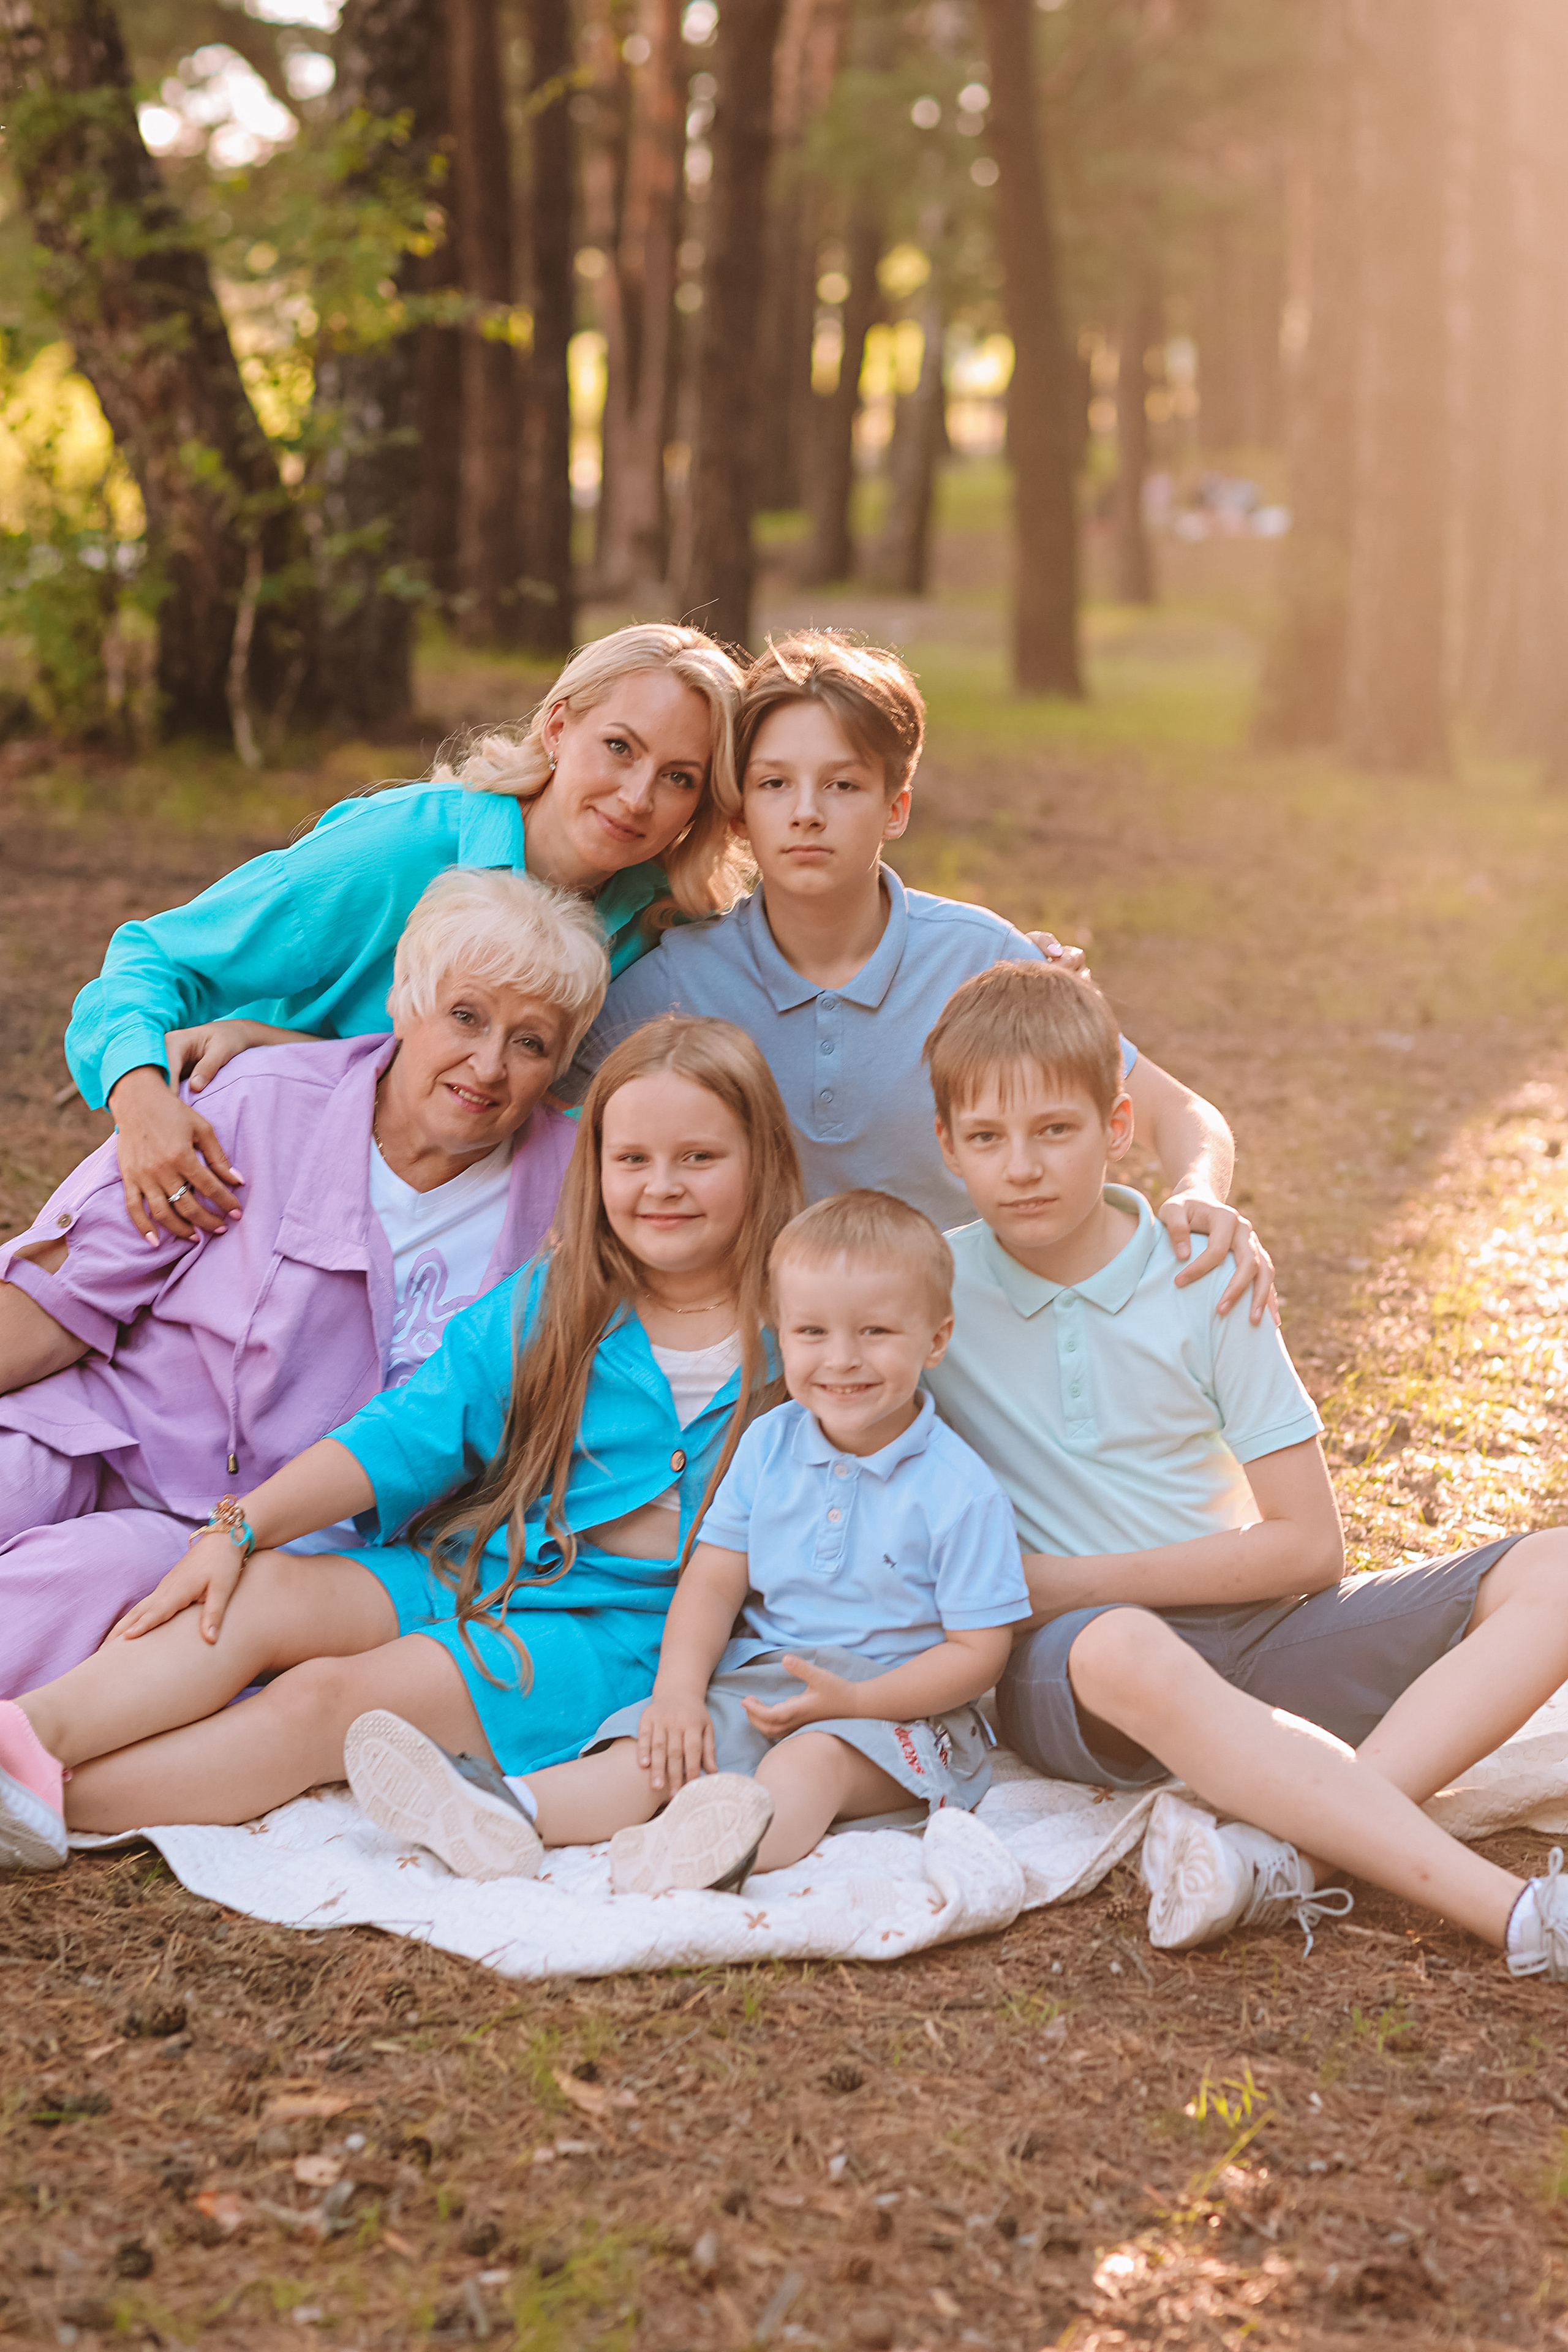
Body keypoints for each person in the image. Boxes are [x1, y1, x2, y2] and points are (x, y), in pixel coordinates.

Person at [0, 1018, 804, 1874]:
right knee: (262, 1592)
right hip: (474, 1567)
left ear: (760, 1160)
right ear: (597, 1167)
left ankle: (51, 1803)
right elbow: (408, 1431)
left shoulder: (800, 1330)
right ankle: (24, 1742)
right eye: (632, 1160)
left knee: (324, 1701)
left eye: (699, 1159)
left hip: (615, 1630)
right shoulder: (565, 1298)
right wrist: (237, 1528)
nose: (662, 1187)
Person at [919, 960, 1568, 1981]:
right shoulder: (934, 1291)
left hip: (1255, 1641)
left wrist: (1076, 1576)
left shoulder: (1201, 1276)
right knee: (1125, 1646)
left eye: (1056, 1129)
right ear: (948, 1148)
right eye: (989, 1139)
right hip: (1072, 1672)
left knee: (1559, 1570)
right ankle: (1521, 1917)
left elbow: (1311, 1546)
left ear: (1118, 1126)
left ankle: (1291, 1852)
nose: (1025, 1167)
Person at [0, 869, 606, 1695]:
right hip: (104, 1430)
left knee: (95, 1568)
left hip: (271, 1531)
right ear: (405, 1001)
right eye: (465, 1016)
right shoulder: (256, 1103)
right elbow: (62, 1297)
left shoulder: (576, 1202)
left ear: (559, 1065)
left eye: (531, 1043)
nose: (489, 1065)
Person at [563, 628, 1275, 1321]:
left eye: (843, 785)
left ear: (894, 809)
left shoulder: (978, 958)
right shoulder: (673, 984)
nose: (807, 814)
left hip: (966, 1356)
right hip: (766, 1373)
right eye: (775, 784)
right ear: (741, 814)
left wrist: (1199, 1190)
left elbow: (1177, 1112)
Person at [344, 1189, 1034, 1894]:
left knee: (809, 1765)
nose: (842, 1360)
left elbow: (978, 1655)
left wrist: (857, 1703)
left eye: (876, 1333)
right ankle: (505, 1812)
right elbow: (712, 1579)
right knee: (658, 1747)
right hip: (765, 1678)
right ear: (778, 1332)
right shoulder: (770, 1442)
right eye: (812, 1333)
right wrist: (677, 1689)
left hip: (901, 1710)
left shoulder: (958, 1489)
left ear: (936, 1339)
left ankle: (716, 1854)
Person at [64, 623, 748, 1244]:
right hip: (254, 1176)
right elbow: (154, 960)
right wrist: (142, 1100)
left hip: (447, 1222)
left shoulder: (660, 930)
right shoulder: (399, 849)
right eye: (619, 747)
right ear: (559, 728)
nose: (636, 797)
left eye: (678, 778)